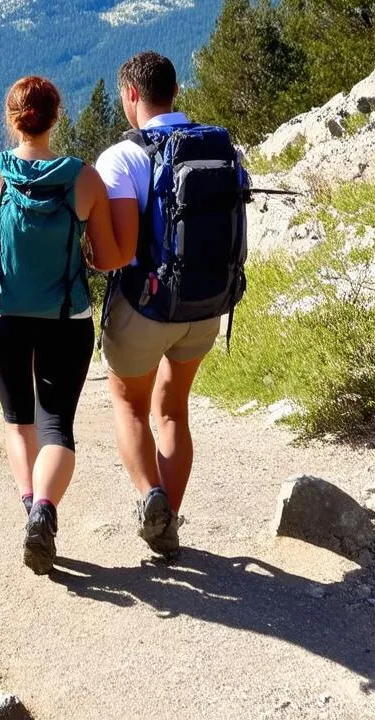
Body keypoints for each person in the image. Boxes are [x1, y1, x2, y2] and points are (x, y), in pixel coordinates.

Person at [0, 75, 130, 575]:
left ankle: (30, 504)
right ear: (57, 118)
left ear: (11, 119)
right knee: (57, 427)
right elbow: (106, 258)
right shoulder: (84, 179)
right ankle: (46, 511)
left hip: (1, 316)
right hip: (65, 318)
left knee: (17, 421)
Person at [95, 51, 247, 559]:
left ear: (131, 95)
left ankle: (150, 497)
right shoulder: (223, 149)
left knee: (128, 402)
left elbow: (119, 250)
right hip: (207, 305)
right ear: (175, 92)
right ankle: (168, 523)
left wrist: (90, 257)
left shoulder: (122, 158)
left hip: (146, 307)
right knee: (174, 409)